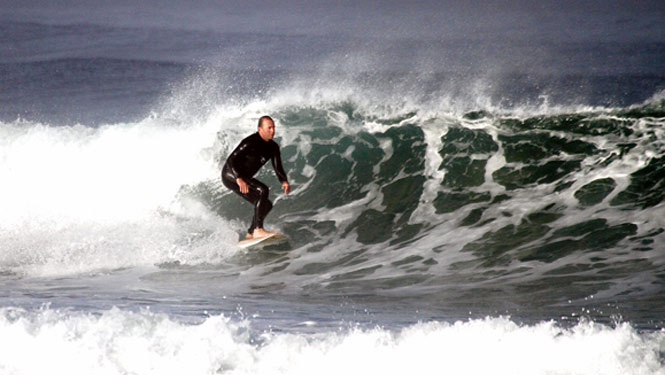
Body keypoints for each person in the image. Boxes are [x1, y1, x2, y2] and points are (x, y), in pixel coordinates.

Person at [221, 116, 291, 239]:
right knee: (263, 190)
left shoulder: (273, 147)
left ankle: (251, 232)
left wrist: (283, 180)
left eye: (273, 127)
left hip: (243, 177)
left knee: (266, 205)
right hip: (230, 175)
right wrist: (238, 178)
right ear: (260, 129)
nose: (272, 131)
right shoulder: (250, 142)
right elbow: (231, 160)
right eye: (269, 128)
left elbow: (278, 167)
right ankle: (259, 229)